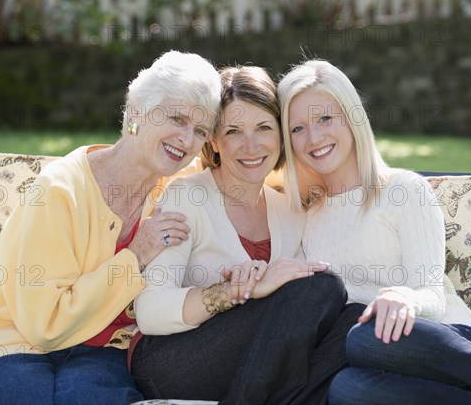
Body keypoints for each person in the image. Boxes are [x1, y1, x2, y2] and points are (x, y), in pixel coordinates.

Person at [0, 50, 223, 405]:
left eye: (199, 130)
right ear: (137, 110)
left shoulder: (181, 189)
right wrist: (136, 256)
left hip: (103, 352)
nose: (186, 138)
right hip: (12, 340)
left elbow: (255, 167)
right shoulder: (59, 190)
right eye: (177, 118)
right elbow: (45, 325)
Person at [278, 59, 471, 405]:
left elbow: (432, 292)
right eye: (298, 129)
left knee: (361, 337)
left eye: (325, 119)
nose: (314, 137)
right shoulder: (303, 215)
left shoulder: (403, 189)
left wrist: (406, 299)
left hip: (441, 340)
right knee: (346, 389)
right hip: (381, 363)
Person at [131, 65, 359, 405]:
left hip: (251, 367)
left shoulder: (291, 210)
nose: (251, 146)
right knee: (322, 287)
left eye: (264, 128)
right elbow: (149, 311)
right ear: (214, 139)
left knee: (355, 320)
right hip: (171, 360)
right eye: (234, 131)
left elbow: (293, 321)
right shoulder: (187, 197)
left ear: (280, 134)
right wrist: (240, 291)